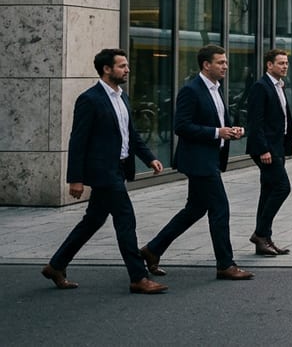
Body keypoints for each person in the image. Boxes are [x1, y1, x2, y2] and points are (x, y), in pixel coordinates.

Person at [42, 49, 167, 294]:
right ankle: (138, 277)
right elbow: (77, 141)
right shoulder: (89, 99)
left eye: (127, 65)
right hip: (103, 170)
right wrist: (75, 179)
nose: (127, 70)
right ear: (107, 69)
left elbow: (130, 135)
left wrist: (150, 158)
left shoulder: (123, 98)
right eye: (122, 66)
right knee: (126, 219)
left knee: (93, 220)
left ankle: (56, 265)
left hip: (119, 168)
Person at [142, 44, 254, 281]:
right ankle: (225, 264)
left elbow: (219, 120)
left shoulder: (216, 89)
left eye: (225, 62)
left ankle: (152, 250)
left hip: (211, 158)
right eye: (220, 62)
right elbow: (181, 126)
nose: (226, 66)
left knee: (194, 209)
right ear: (206, 65)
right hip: (199, 161)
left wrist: (233, 130)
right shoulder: (191, 90)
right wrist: (217, 132)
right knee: (220, 209)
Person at [245, 49, 292, 256]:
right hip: (266, 149)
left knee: (268, 191)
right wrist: (263, 149)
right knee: (282, 187)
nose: (285, 66)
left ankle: (264, 240)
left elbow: (283, 117)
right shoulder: (261, 86)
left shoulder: (279, 86)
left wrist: (290, 142)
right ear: (269, 65)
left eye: (286, 63)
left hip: (278, 146)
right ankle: (260, 233)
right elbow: (255, 122)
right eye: (280, 63)